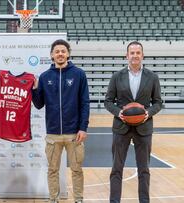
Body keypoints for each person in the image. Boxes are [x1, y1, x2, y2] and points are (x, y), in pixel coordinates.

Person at [32, 39, 90, 203]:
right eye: (57, 51)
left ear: (68, 54)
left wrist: (83, 127)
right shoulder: (44, 77)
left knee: (77, 170)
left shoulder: (79, 74)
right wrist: (34, 90)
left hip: (74, 133)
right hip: (53, 134)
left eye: (63, 51)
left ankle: (78, 199)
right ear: (52, 55)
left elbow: (84, 103)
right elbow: (38, 105)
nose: (60, 54)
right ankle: (53, 199)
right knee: (52, 170)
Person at [104, 41, 162, 203]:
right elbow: (108, 101)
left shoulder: (152, 77)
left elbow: (158, 102)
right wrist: (119, 113)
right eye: (132, 53)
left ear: (142, 55)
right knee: (116, 169)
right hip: (121, 127)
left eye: (138, 53)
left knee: (144, 169)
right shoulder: (117, 76)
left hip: (144, 128)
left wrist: (148, 113)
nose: (135, 55)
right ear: (127, 55)